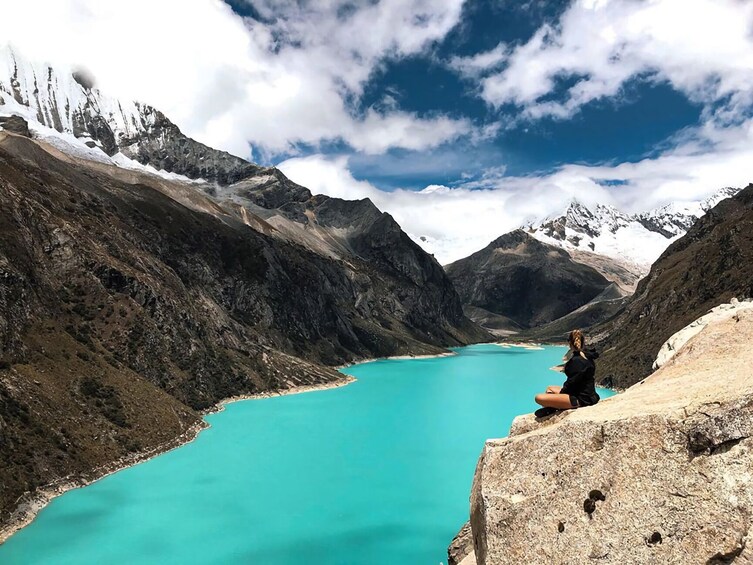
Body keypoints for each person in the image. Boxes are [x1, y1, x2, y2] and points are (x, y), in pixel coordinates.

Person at [533, 329, 600, 418]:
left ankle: (553, 407)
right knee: (550, 389)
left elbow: (572, 382)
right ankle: (553, 407)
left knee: (538, 398)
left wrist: (562, 393)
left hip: (581, 399)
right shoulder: (587, 356)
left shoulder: (576, 361)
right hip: (589, 394)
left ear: (570, 343)